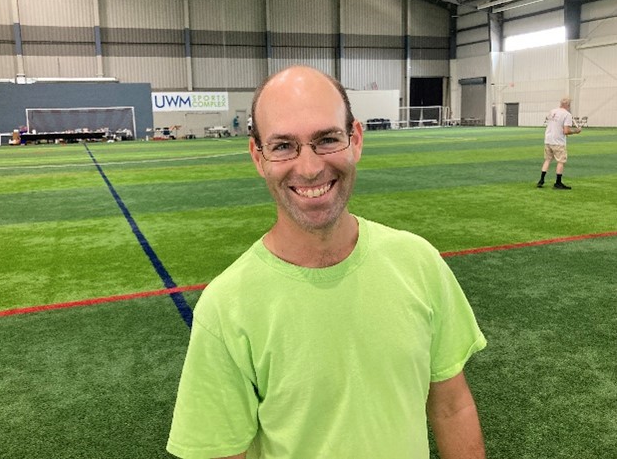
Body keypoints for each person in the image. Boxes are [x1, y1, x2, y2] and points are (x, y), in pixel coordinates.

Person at [167, 66, 487, 459]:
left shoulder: (419, 262)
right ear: (258, 157)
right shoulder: (224, 309)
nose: (310, 168)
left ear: (356, 140)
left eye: (327, 139)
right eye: (283, 146)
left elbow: (452, 407)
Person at [537, 97, 581, 189]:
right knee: (561, 161)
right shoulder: (567, 114)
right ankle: (558, 182)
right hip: (558, 141)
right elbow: (566, 131)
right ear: (568, 105)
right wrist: (576, 131)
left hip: (548, 139)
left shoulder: (552, 111)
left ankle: (541, 180)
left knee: (547, 159)